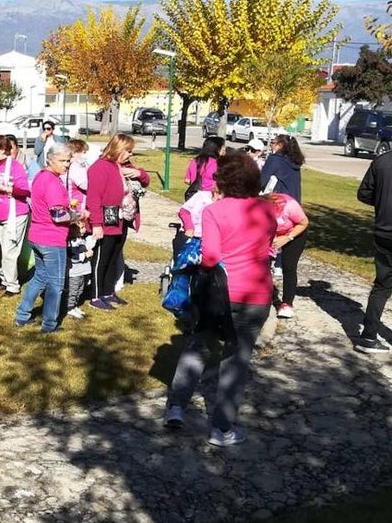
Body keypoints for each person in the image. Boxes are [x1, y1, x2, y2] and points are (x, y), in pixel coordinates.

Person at [164, 152, 276, 446]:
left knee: (198, 346)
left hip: (219, 293)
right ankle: (222, 428)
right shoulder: (266, 211)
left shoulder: (215, 211)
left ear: (223, 180)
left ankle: (176, 407)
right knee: (236, 360)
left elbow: (211, 256)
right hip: (256, 293)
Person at [15, 142, 83, 331]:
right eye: (62, 161)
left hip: (37, 235)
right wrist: (78, 216)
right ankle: (49, 324)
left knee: (39, 278)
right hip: (51, 239)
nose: (66, 165)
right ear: (50, 160)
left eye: (69, 161)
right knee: (56, 284)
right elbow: (58, 215)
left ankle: (22, 315)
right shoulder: (52, 181)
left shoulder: (40, 177)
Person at [86, 134, 149, 311]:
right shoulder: (100, 167)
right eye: (127, 151)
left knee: (114, 256)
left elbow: (145, 181)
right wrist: (96, 224)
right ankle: (95, 295)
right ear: (118, 149)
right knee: (101, 259)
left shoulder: (124, 166)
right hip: (106, 219)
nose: (130, 155)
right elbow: (94, 198)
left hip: (122, 219)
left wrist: (139, 173)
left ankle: (108, 291)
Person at [355, 143, 392, 353]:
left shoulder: (382, 160)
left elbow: (364, 193)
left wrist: (385, 202)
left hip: (384, 232)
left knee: (382, 286)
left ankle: (368, 336)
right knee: (382, 286)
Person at [0, 134, 31, 296]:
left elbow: (25, 191)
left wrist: (5, 188)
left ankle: (12, 285)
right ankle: (4, 279)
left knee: (9, 250)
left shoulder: (15, 166)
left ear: (2, 149)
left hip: (14, 214)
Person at [269, 192, 309, 320]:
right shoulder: (256, 208)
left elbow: (304, 222)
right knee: (262, 264)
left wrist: (287, 237)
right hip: (272, 234)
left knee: (289, 266)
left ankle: (287, 304)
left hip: (295, 233)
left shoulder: (289, 205)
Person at [260, 133, 304, 201]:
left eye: (273, 143)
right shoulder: (295, 161)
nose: (270, 145)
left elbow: (261, 181)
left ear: (280, 145)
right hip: (294, 202)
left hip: (280, 202)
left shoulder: (274, 159)